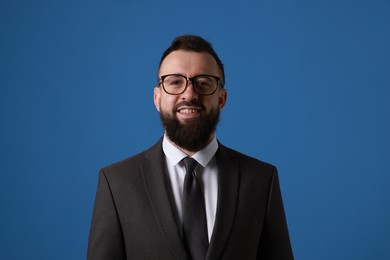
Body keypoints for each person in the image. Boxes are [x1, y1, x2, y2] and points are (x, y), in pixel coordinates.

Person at [87, 35, 293, 260]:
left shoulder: (261, 180)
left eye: (203, 83)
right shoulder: (116, 183)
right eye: (175, 82)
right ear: (157, 98)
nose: (189, 94)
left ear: (222, 99)